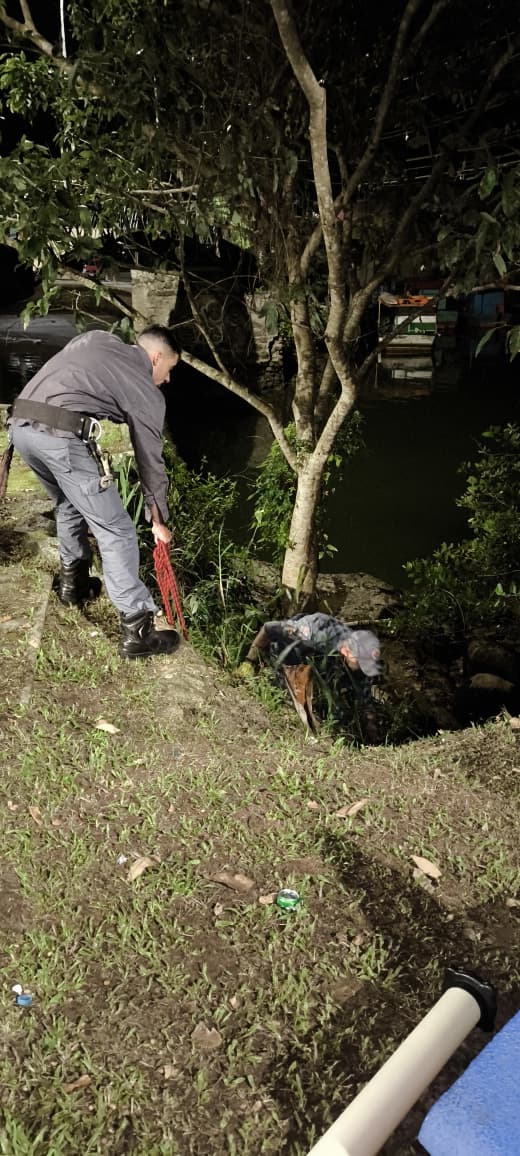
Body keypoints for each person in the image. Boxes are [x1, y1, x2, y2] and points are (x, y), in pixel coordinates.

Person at [9, 325, 181, 660]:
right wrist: (157, 517)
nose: (167, 379)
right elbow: (149, 457)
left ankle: (73, 586)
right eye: (169, 370)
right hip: (59, 437)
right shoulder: (145, 387)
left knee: (69, 504)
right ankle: (138, 630)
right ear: (156, 357)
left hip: (21, 427)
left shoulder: (96, 338)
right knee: (116, 530)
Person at [243, 612, 382, 737]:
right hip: (290, 652)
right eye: (362, 662)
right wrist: (249, 662)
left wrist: (371, 726)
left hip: (322, 662)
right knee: (293, 706)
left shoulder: (360, 660)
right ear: (346, 651)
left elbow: (365, 700)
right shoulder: (316, 632)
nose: (364, 669)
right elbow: (270, 627)